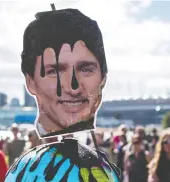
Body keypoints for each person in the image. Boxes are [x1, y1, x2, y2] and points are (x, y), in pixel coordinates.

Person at [21, 8, 107, 138]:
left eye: (85, 69)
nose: (73, 88)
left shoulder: (98, 157)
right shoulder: (33, 158)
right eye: (55, 71)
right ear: (30, 82)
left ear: (103, 77)